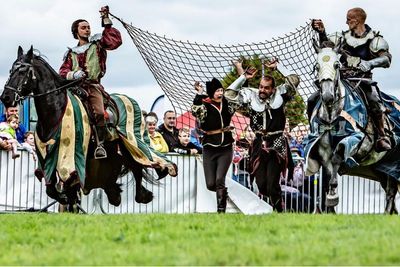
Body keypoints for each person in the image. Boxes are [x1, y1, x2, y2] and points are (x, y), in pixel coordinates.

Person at [309, 7, 392, 152]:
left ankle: (381, 136)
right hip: (342, 80)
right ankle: (314, 131)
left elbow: (386, 59)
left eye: (349, 19)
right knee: (312, 100)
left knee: (375, 102)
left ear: (358, 20)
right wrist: (322, 32)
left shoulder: (374, 39)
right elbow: (327, 48)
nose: (346, 22)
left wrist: (370, 63)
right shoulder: (342, 38)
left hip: (363, 81)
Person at [225, 59, 300, 212]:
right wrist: (243, 77)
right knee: (262, 184)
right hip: (259, 143)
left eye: (266, 88)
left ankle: (279, 211)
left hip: (277, 144)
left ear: (272, 89)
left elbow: (294, 80)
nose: (262, 90)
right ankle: (273, 206)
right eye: (260, 87)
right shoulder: (251, 96)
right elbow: (229, 94)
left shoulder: (281, 95)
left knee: (272, 183)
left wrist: (279, 67)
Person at [59, 5, 122, 159]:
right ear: (76, 32)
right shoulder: (70, 53)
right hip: (73, 87)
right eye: (83, 28)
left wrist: (106, 20)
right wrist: (74, 74)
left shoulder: (98, 44)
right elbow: (62, 72)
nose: (87, 30)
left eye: (88, 27)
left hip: (92, 86)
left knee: (99, 113)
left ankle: (100, 144)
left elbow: (114, 41)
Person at [191, 78, 240, 213]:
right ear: (211, 93)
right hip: (209, 147)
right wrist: (200, 94)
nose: (220, 93)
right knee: (210, 184)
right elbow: (196, 111)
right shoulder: (204, 105)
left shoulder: (227, 103)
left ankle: (221, 212)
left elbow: (237, 97)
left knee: (220, 179)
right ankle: (223, 193)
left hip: (226, 147)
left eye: (221, 90)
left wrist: (242, 76)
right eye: (217, 91)